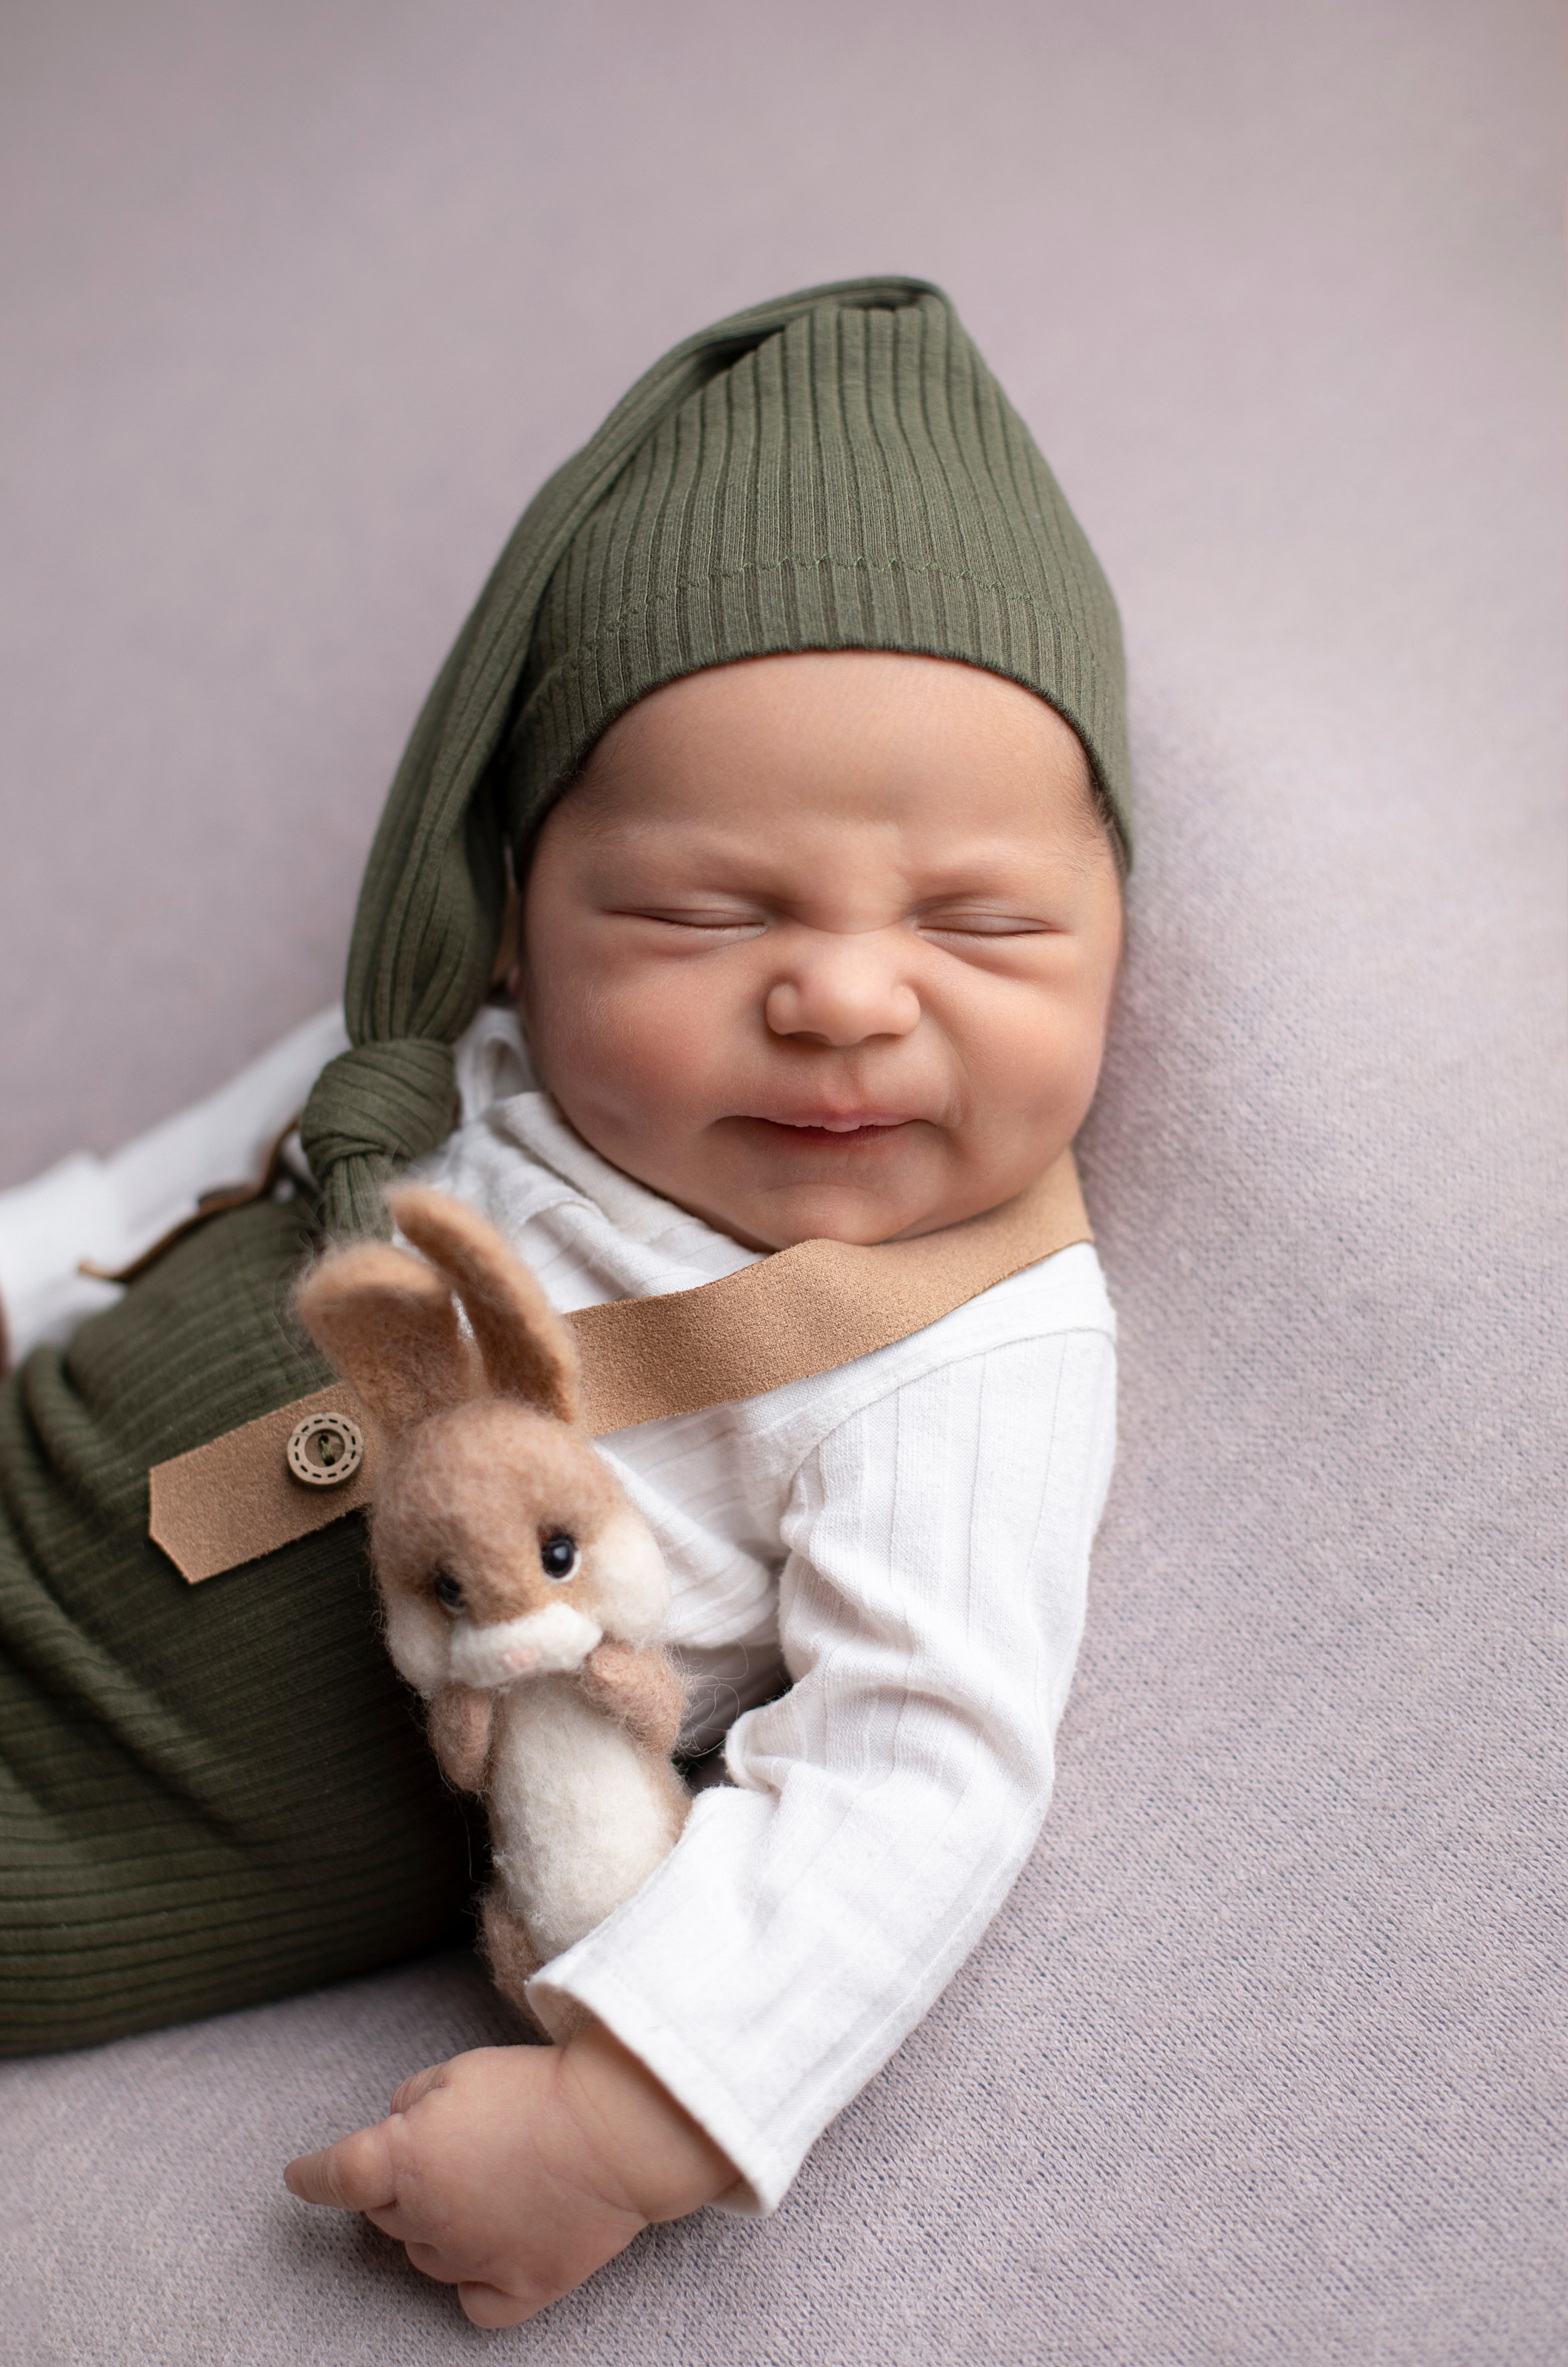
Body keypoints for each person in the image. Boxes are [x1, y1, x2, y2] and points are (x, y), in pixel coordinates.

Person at [0, 279, 1130, 2328]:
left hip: (117, 1803)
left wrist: (629, 2120)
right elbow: (203, 1171)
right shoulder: (469, 1058)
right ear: (512, 914)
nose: (846, 994)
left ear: (1114, 928)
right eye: (703, 910)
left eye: (985, 924)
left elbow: (921, 1762)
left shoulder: (958, 1348)